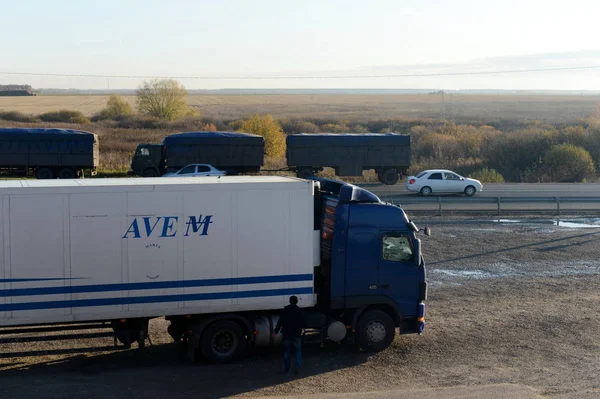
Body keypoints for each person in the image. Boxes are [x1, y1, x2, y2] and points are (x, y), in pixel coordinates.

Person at [273, 295, 306, 374]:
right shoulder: (299, 310)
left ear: (289, 301)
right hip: (296, 334)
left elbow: (280, 321)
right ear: (296, 301)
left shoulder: (285, 310)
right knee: (298, 351)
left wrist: (275, 332)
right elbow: (303, 322)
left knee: (287, 351)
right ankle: (297, 367)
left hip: (287, 333)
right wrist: (303, 328)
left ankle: (287, 369)